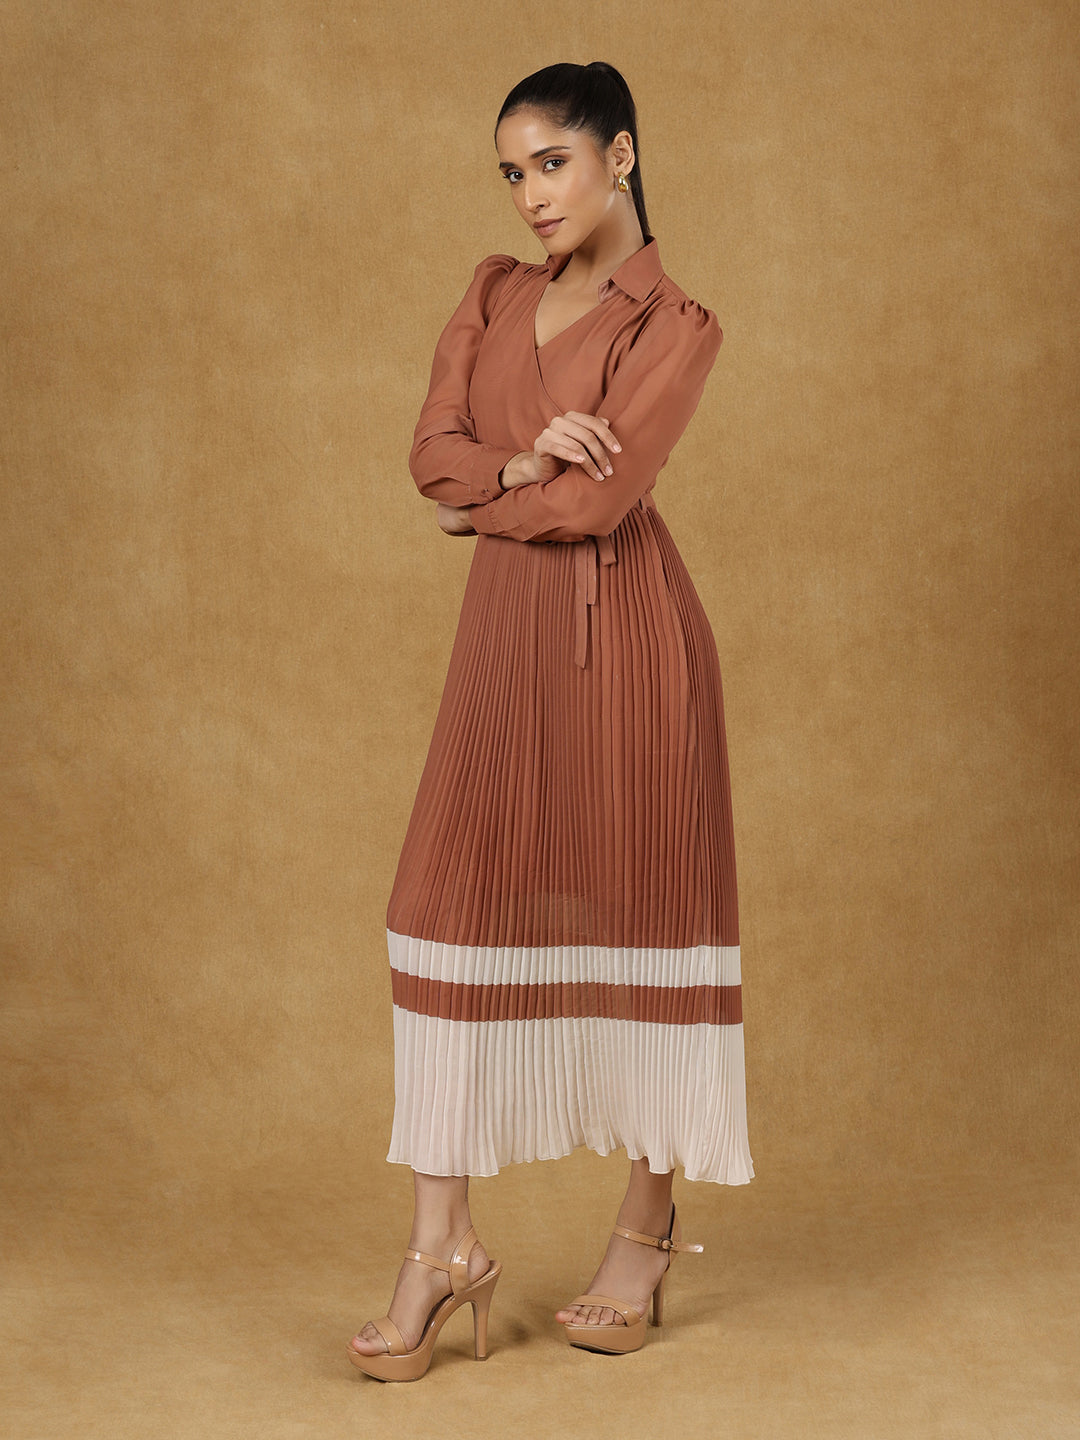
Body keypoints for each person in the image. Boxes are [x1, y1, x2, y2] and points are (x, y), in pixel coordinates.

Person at [347, 60, 753, 1382]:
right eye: (512, 172)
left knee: (642, 911)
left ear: (622, 154)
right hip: (502, 654)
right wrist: (507, 469)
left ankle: (645, 1226)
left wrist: (481, 509)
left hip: (630, 648)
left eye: (554, 163)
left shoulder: (674, 324)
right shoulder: (490, 292)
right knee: (444, 907)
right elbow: (431, 451)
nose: (531, 195)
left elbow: (600, 507)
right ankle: (441, 1248)